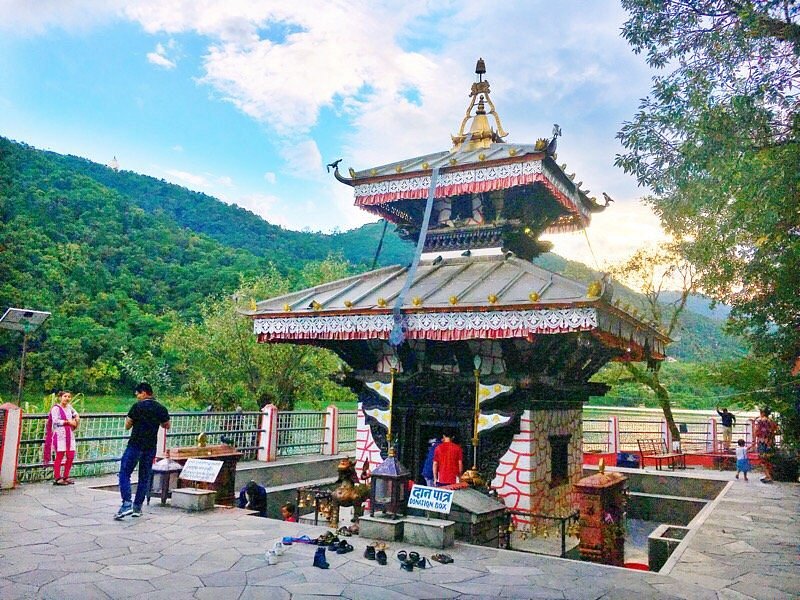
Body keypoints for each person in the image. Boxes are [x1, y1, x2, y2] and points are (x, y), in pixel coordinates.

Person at [115, 382, 170, 520]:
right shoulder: (161, 408)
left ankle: (126, 503)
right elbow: (166, 425)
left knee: (124, 473)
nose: (137, 396)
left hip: (135, 445)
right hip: (150, 447)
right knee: (144, 477)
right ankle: (137, 507)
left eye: (138, 394)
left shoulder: (137, 407)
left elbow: (127, 425)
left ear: (144, 393)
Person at [45, 391, 80, 485]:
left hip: (69, 434)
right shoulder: (56, 408)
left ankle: (66, 476)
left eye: (69, 397)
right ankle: (57, 477)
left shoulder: (69, 407)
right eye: (65, 396)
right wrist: (68, 422)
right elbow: (55, 421)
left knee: (70, 455)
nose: (67, 398)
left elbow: (75, 413)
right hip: (60, 434)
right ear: (60, 397)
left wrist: (77, 417)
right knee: (59, 456)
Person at [753, 408, 779, 483]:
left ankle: (768, 476)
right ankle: (768, 475)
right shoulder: (771, 421)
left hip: (763, 442)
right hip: (770, 442)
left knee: (762, 460)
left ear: (763, 413)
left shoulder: (761, 421)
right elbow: (777, 430)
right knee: (769, 459)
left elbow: (757, 432)